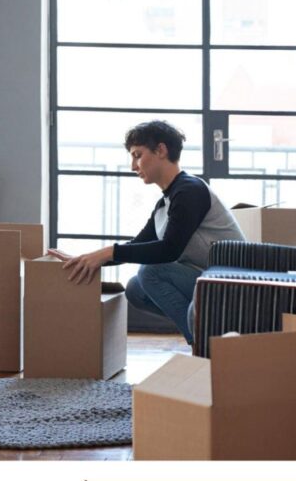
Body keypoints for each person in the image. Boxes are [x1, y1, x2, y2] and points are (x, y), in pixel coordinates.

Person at [48, 120, 245, 346]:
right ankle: (208, 330)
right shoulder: (166, 202)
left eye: (137, 155)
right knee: (135, 289)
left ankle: (203, 344)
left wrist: (107, 253)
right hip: (206, 280)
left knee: (151, 272)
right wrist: (87, 259)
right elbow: (138, 245)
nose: (133, 165)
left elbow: (168, 250)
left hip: (233, 286)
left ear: (161, 150)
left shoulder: (190, 191)